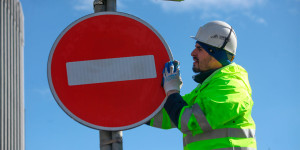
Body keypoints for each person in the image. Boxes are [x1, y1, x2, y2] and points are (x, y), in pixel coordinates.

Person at [147, 21, 256, 150]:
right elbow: (166, 116)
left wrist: (172, 92)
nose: (192, 53)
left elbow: (191, 121)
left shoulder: (231, 86)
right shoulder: (205, 89)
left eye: (199, 49)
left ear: (215, 53)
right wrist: (134, 109)